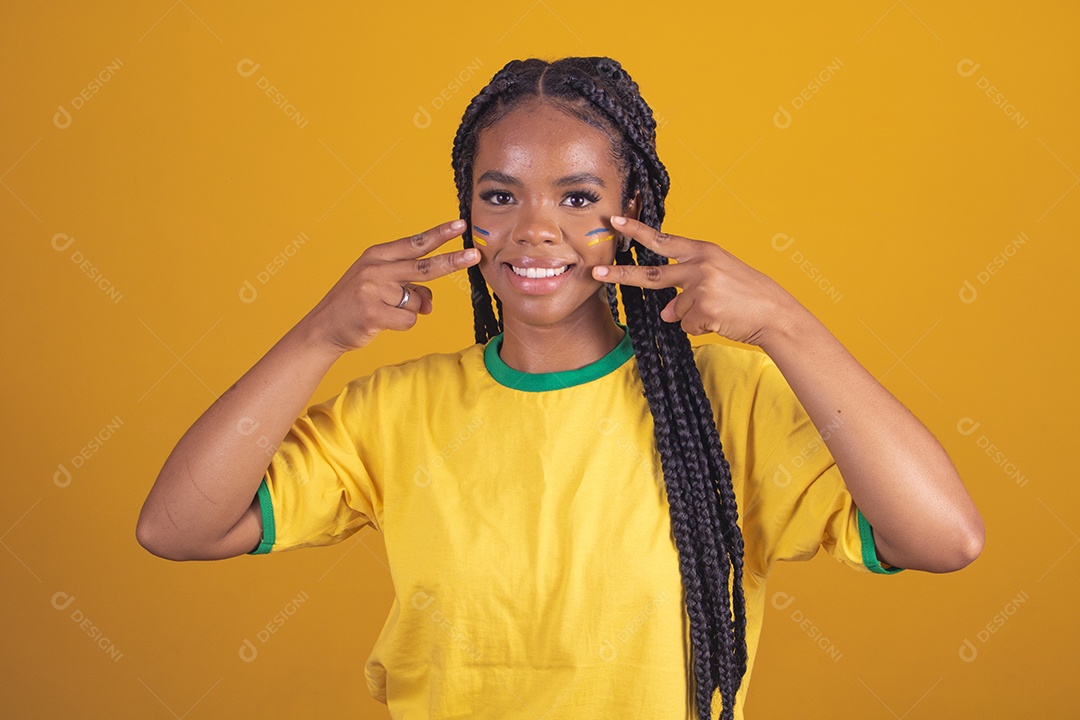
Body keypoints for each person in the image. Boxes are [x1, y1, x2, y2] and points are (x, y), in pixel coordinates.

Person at [136, 56, 984, 720]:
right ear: (467, 212)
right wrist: (319, 332)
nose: (534, 229)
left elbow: (944, 538)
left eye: (578, 197)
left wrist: (785, 323)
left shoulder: (724, 400)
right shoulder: (394, 410)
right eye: (499, 195)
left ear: (633, 208)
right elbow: (176, 527)